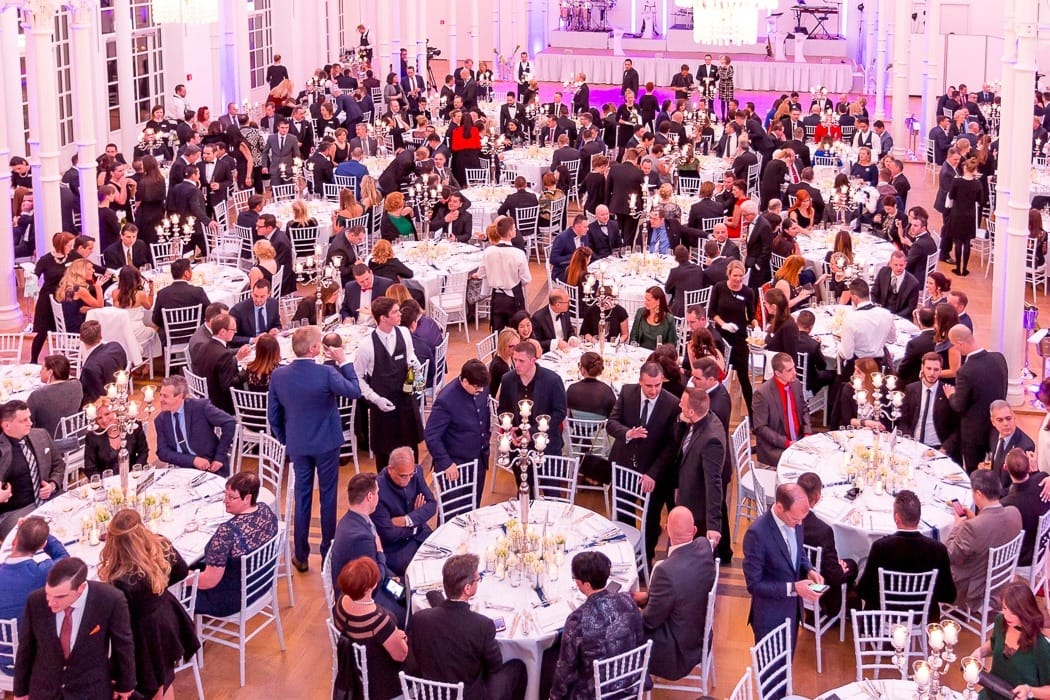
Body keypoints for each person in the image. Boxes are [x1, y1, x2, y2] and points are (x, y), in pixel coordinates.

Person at [268, 325, 361, 569]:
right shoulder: (325, 373)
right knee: (328, 497)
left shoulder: (279, 375)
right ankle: (327, 553)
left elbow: (273, 415)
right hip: (327, 443)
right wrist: (344, 361)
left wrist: (286, 439)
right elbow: (355, 390)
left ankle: (301, 555)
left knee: (302, 496)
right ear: (313, 348)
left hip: (298, 443)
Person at [97, 509, 199, 700]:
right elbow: (182, 571)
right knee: (165, 679)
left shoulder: (121, 576)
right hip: (168, 618)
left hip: (144, 634)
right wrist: (159, 588)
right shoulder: (160, 545)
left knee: (152, 687)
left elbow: (121, 619)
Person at [408, 554, 527, 700]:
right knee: (518, 667)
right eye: (477, 579)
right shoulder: (482, 625)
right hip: (467, 695)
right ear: (467, 588)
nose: (478, 581)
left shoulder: (420, 618)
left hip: (432, 694)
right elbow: (495, 666)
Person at [14, 557, 136, 700]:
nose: (51, 602)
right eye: (48, 594)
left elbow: (123, 645)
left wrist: (125, 684)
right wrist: (20, 691)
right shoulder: (35, 601)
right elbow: (26, 648)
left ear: (81, 588)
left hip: (90, 690)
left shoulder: (110, 599)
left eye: (60, 597)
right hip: (45, 690)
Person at [607, 362, 682, 563]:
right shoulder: (627, 392)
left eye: (658, 385)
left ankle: (646, 559)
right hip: (624, 466)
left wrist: (653, 474)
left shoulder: (672, 403)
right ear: (640, 381)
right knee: (624, 514)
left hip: (652, 472)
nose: (654, 390)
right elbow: (611, 423)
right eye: (649, 385)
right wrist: (628, 433)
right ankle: (627, 557)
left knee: (650, 520)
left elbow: (671, 446)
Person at [630, 506, 715, 680]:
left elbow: (650, 622)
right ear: (694, 530)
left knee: (624, 631)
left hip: (677, 652)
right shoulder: (704, 546)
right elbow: (683, 590)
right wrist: (648, 597)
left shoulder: (665, 571)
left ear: (666, 530)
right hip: (700, 634)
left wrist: (630, 610)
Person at [546, 551, 646, 700]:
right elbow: (639, 639)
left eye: (576, 579)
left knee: (550, 661)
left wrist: (554, 697)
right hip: (631, 679)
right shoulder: (627, 600)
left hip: (596, 692)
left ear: (586, 584)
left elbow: (566, 670)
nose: (576, 582)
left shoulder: (577, 619)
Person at [742, 483, 825, 647]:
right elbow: (754, 585)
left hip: (793, 612)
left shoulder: (797, 519)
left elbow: (798, 550)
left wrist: (809, 569)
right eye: (795, 519)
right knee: (771, 664)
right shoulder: (757, 534)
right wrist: (794, 588)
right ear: (780, 507)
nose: (800, 524)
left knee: (788, 660)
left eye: (802, 519)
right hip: (770, 618)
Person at [855, 489, 956, 618]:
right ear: (919, 517)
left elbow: (863, 591)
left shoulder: (880, 547)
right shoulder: (938, 549)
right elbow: (948, 595)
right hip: (923, 617)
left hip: (885, 615)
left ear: (896, 518)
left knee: (861, 566)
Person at [353, 297, 424, 471]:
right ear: (383, 318)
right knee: (385, 459)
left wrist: (416, 370)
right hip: (382, 409)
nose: (400, 314)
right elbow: (357, 377)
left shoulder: (404, 333)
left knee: (411, 452)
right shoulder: (366, 346)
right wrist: (375, 399)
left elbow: (410, 356)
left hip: (406, 402)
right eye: (395, 312)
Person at [195, 472, 279, 616]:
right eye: (225, 494)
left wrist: (183, 579)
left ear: (247, 498)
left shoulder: (226, 532)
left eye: (231, 497)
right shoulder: (265, 510)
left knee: (170, 588)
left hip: (232, 598)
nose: (224, 500)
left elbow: (208, 581)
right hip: (261, 584)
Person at [946, 469, 1023, 611]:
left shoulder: (972, 528)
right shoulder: (1014, 512)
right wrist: (976, 519)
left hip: (973, 590)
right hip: (1002, 579)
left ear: (979, 494)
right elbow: (992, 531)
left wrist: (956, 526)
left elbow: (950, 556)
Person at [331, 557, 407, 700]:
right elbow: (401, 656)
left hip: (352, 666)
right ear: (368, 588)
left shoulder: (341, 601)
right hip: (379, 681)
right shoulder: (379, 621)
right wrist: (401, 637)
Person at [968, 582, 1050, 700]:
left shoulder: (1041, 646)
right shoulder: (1001, 621)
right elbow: (994, 643)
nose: (1007, 616)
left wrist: (1029, 691)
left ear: (1025, 611)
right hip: (991, 693)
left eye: (1014, 612)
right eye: (1004, 608)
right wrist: (980, 652)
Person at [424, 359, 491, 502]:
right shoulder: (446, 400)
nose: (481, 390)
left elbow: (485, 417)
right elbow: (431, 435)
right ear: (465, 381)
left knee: (473, 506)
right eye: (476, 387)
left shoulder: (482, 386)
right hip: (455, 466)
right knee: (452, 508)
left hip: (479, 460)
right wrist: (446, 463)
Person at [945, 325, 1009, 471]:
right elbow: (1004, 388)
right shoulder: (998, 358)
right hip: (996, 428)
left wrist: (951, 395)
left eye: (954, 344)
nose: (955, 348)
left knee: (974, 473)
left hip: (974, 434)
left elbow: (959, 406)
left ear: (960, 343)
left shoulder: (965, 372)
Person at [0, 399, 65, 538]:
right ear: (7, 425)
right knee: (33, 540)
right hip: (17, 511)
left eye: (29, 418)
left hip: (50, 498)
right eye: (23, 420)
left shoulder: (40, 435)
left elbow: (58, 464)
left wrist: (52, 484)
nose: (30, 423)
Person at [796, 473, 858, 616]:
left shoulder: (786, 517)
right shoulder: (823, 531)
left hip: (791, 576)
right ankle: (838, 607)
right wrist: (840, 566)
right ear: (817, 497)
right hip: (815, 586)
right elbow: (834, 576)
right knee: (852, 565)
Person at [153, 375, 237, 477]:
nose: (160, 399)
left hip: (209, 467)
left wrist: (220, 456)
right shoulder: (161, 420)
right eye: (160, 395)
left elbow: (229, 422)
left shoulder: (200, 407)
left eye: (165, 396)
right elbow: (162, 452)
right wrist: (192, 460)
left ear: (180, 396)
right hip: (180, 469)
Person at [675, 386, 725, 542]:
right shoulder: (704, 417)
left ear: (691, 412)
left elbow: (714, 483)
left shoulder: (711, 441)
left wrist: (713, 525)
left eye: (682, 404)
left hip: (696, 508)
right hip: (685, 493)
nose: (679, 405)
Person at [0, 516, 68, 622]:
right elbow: (65, 558)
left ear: (13, 541)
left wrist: (31, 531)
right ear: (42, 545)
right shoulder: (42, 572)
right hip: (33, 630)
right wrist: (41, 534)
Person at [710, 260, 756, 413]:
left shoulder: (748, 292)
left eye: (741, 276)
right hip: (721, 337)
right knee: (718, 374)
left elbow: (751, 315)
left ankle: (752, 413)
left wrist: (757, 326)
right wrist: (723, 324)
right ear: (728, 274)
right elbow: (711, 312)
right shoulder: (719, 288)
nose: (738, 279)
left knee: (744, 376)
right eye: (735, 275)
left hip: (739, 337)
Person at [754, 352, 811, 466]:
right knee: (803, 463)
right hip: (776, 446)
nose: (794, 372)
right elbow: (761, 427)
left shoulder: (796, 384)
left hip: (799, 439)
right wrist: (787, 443)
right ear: (777, 373)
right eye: (789, 370)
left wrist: (807, 432)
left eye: (794, 367)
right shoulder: (762, 394)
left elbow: (804, 409)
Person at [899, 352, 960, 458]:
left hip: (938, 448)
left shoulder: (948, 392)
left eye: (936, 369)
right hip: (913, 445)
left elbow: (957, 427)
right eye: (928, 368)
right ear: (922, 368)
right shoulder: (911, 389)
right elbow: (903, 420)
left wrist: (945, 449)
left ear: (940, 370)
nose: (932, 373)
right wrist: (908, 440)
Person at [192, 312, 251, 414]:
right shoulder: (223, 355)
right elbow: (228, 386)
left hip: (207, 393)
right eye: (233, 330)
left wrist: (236, 359)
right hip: (221, 403)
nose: (235, 332)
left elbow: (220, 368)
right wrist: (246, 373)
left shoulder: (204, 346)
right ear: (223, 332)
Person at [1000, 448, 1050, 570]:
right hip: (1042, 547)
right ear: (1028, 468)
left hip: (1022, 558)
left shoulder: (1007, 504)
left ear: (1005, 468)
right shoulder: (1043, 479)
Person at [84, 397, 149, 478]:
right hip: (107, 481)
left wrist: (136, 470)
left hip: (134, 476)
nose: (104, 420)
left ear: (116, 412)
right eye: (99, 418)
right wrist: (104, 480)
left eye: (107, 414)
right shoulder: (93, 437)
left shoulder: (132, 426)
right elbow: (90, 468)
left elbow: (143, 452)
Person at [152, 258, 210, 343]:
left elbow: (155, 319)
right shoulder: (198, 291)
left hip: (170, 337)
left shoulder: (162, 293)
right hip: (196, 335)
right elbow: (209, 312)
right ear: (186, 273)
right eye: (190, 270)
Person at [27, 355, 83, 438]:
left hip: (50, 440)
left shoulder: (37, 395)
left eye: (42, 368)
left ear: (50, 372)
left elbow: (28, 423)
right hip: (77, 435)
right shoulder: (77, 385)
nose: (40, 372)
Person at [988, 400, 1036, 487]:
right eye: (1000, 420)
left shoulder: (1025, 446)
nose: (1005, 423)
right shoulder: (993, 433)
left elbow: (1021, 485)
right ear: (993, 422)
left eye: (1008, 418)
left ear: (1014, 417)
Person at [54, 258, 105, 335]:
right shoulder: (80, 290)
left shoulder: (69, 286)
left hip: (68, 326)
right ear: (80, 271)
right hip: (76, 330)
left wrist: (88, 309)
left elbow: (74, 308)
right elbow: (100, 306)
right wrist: (98, 287)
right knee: (102, 326)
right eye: (89, 269)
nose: (93, 271)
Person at [230, 278, 282, 347]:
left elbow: (277, 325)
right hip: (249, 346)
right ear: (252, 293)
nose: (258, 300)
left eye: (262, 297)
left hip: (269, 343)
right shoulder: (238, 310)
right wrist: (253, 340)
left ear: (268, 294)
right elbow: (231, 338)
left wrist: (275, 330)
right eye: (255, 295)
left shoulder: (273, 304)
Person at [872, 250, 921, 319]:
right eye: (896, 265)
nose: (898, 268)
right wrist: (876, 308)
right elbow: (874, 293)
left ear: (905, 264)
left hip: (900, 317)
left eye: (901, 265)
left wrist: (895, 317)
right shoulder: (883, 272)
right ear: (890, 264)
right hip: (882, 312)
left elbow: (911, 307)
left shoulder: (913, 283)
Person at [566, 352, 617, 418]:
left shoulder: (572, 389)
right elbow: (614, 415)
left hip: (575, 424)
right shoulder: (607, 391)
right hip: (600, 425)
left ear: (583, 370)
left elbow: (566, 412)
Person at [629, 286, 677, 350]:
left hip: (659, 354)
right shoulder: (640, 312)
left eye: (648, 300)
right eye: (645, 299)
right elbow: (633, 335)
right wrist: (634, 347)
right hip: (640, 351)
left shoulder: (669, 319)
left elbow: (671, 344)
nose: (645, 302)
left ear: (658, 301)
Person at [531, 289, 576, 353]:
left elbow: (570, 329)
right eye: (568, 302)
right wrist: (555, 343)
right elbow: (537, 343)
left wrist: (572, 337)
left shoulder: (565, 311)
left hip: (566, 350)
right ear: (558, 305)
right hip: (549, 353)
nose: (570, 304)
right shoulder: (538, 318)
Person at [764, 287, 800, 357]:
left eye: (766, 303)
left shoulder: (789, 327)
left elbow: (790, 355)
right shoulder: (776, 319)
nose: (765, 305)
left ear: (773, 307)